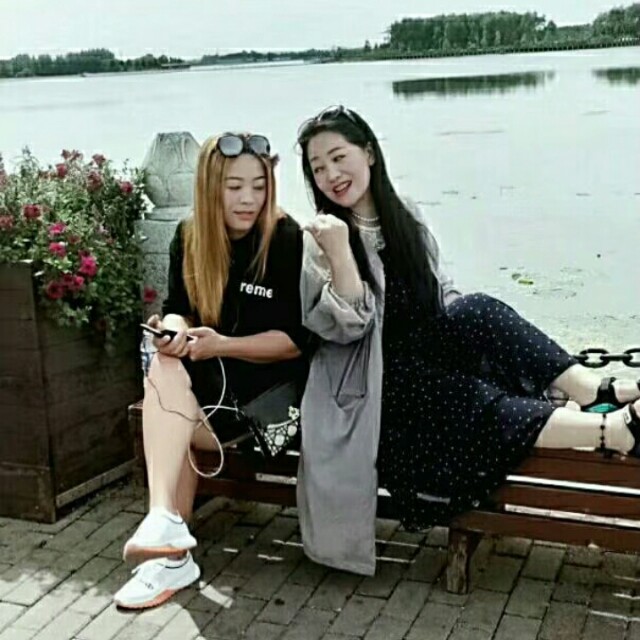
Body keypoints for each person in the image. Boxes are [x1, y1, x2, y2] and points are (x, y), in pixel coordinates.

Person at [295, 105, 640, 576]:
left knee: (477, 308)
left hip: (427, 361)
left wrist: (475, 336)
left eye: (339, 158)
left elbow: (442, 293)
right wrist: (339, 253)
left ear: (369, 153)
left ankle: (594, 389)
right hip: (379, 391)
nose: (331, 176)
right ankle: (612, 430)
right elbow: (346, 328)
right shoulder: (321, 240)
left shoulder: (403, 214)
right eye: (318, 168)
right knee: (461, 393)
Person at [114, 133, 309, 609]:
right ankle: (166, 529)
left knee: (170, 410)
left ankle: (169, 548)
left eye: (259, 186)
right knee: (165, 367)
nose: (248, 199)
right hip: (206, 388)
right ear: (209, 187)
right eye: (234, 187)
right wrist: (173, 331)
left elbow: (296, 341)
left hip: (270, 401)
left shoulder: (285, 237)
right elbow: (177, 308)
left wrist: (223, 344)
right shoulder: (189, 235)